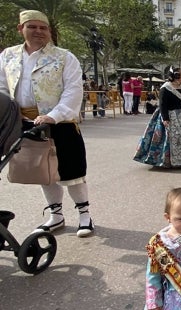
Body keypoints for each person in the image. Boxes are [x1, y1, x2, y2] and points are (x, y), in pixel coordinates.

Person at [0, 10, 95, 237]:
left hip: (61, 122)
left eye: (43, 28)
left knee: (72, 171)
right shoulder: (7, 56)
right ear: (20, 29)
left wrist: (54, 115)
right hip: (23, 123)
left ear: (49, 31)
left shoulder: (65, 57)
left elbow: (73, 90)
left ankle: (84, 215)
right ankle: (56, 215)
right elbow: (2, 89)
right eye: (32, 27)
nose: (38, 32)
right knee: (43, 171)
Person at [133, 67, 181, 168]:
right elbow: (162, 104)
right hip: (171, 116)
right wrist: (165, 119)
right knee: (172, 138)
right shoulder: (165, 88)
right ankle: (167, 160)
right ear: (176, 76)